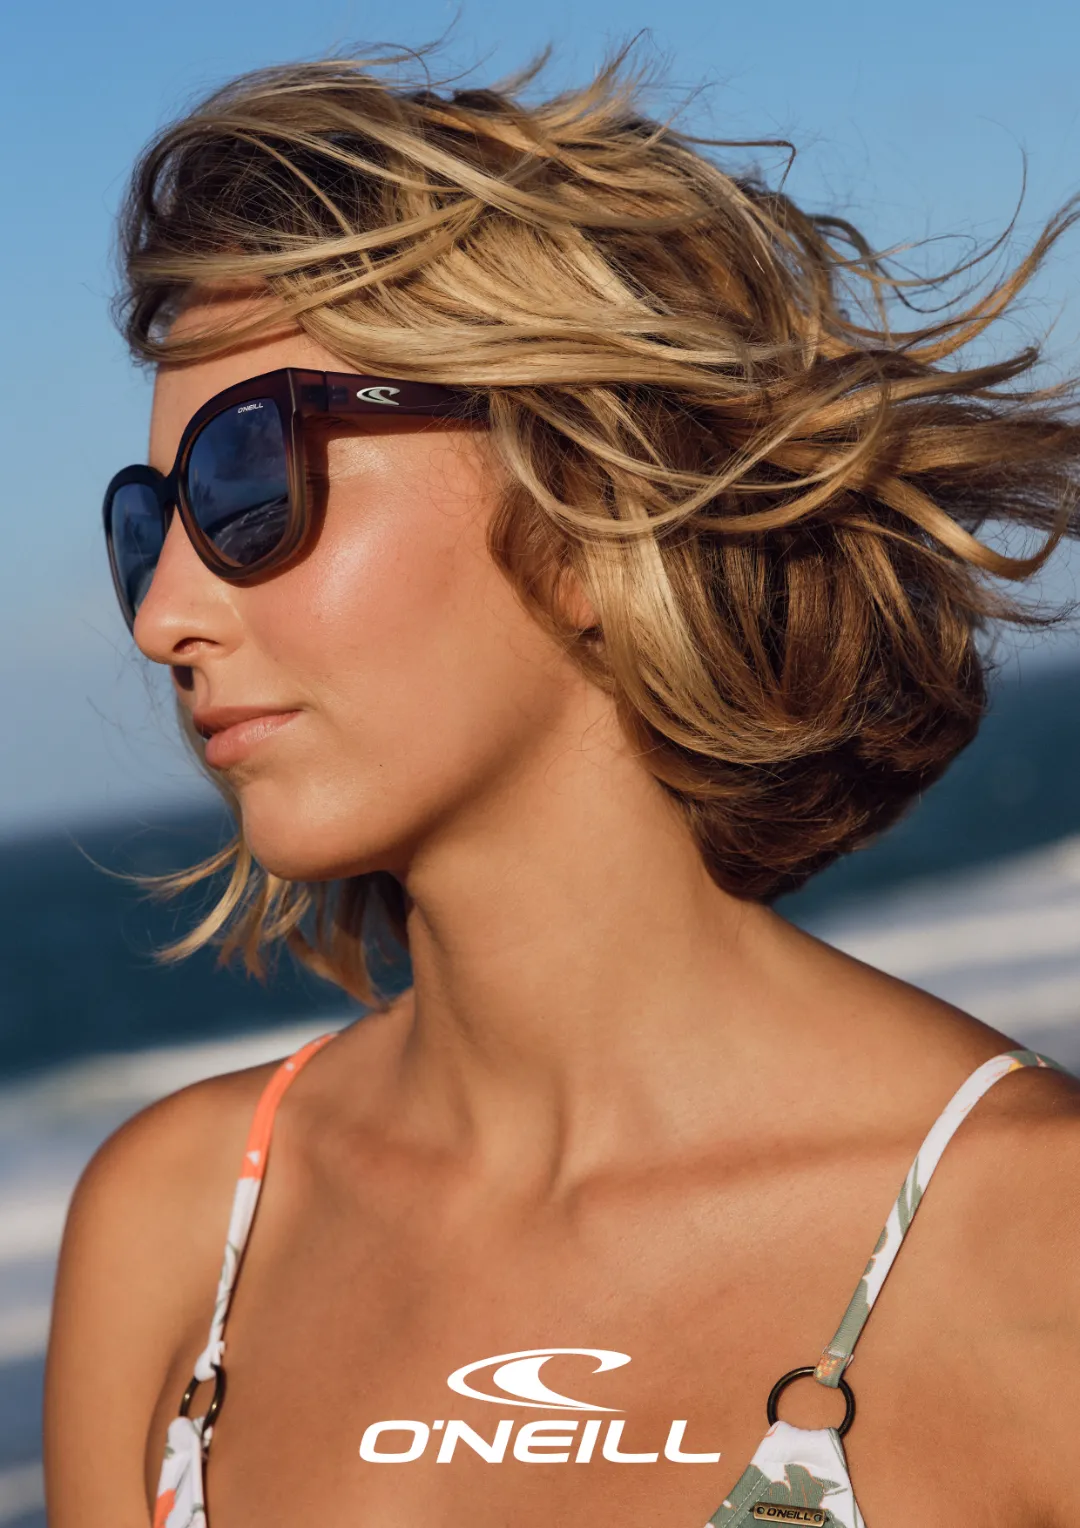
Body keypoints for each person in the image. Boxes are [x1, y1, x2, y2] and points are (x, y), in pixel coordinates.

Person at [43, 45, 1080, 1528]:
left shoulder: (1037, 1248)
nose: (163, 618)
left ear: (595, 497)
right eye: (150, 525)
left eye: (248, 482)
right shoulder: (181, 1230)